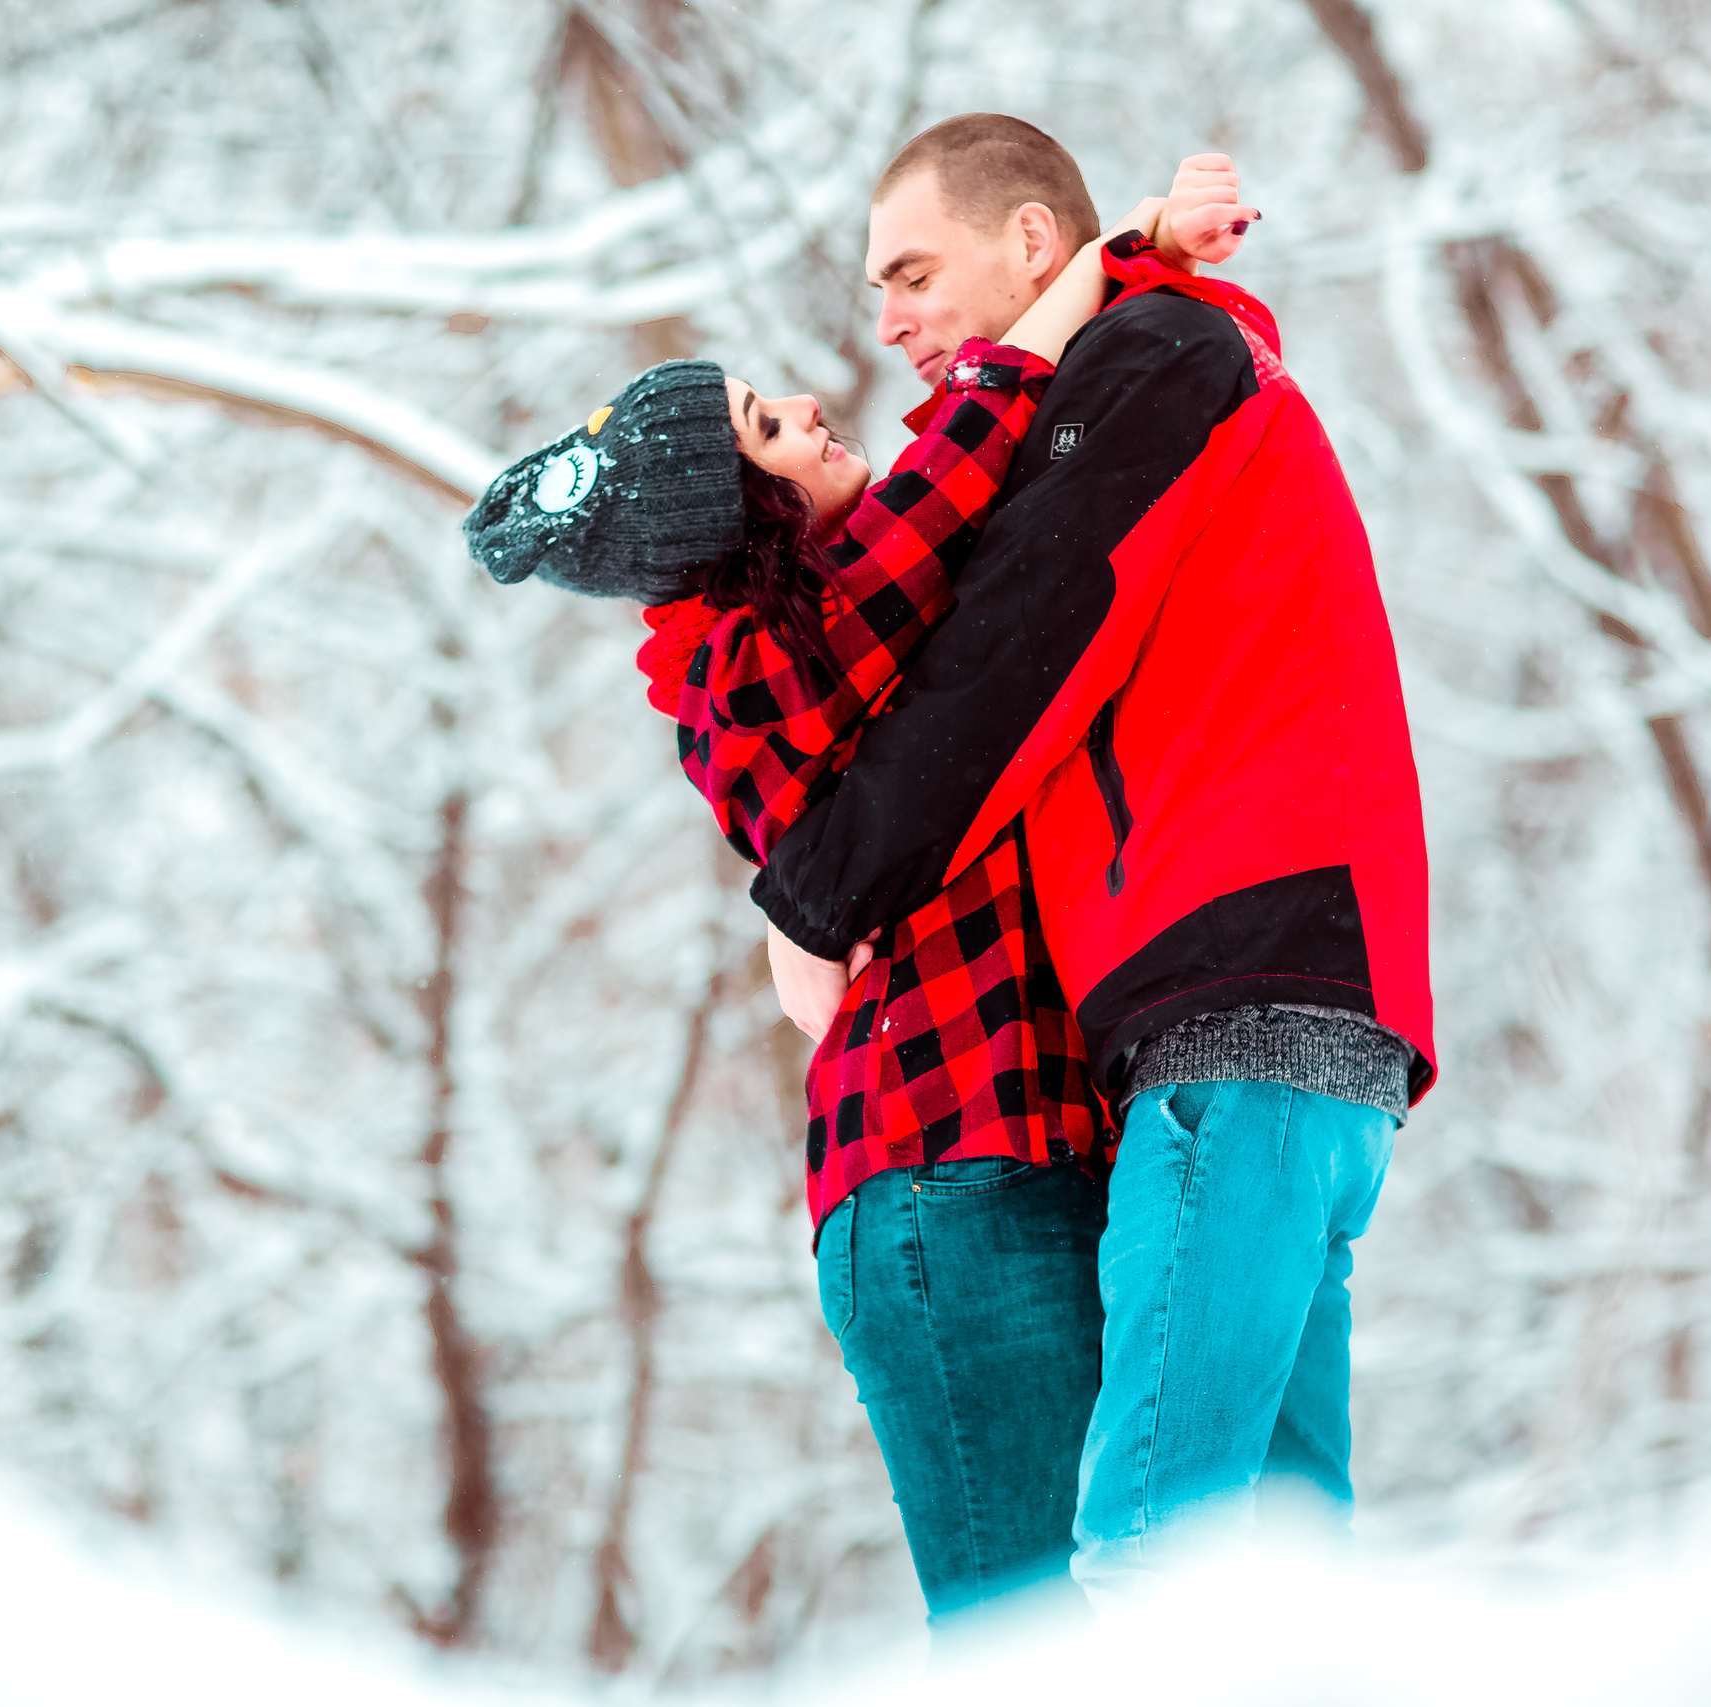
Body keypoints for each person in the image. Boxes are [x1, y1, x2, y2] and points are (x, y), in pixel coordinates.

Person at [458, 162, 1248, 1632]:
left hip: (1023, 1157)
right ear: (736, 510)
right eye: (769, 425)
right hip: (943, 1187)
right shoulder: (762, 666)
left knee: (1133, 1627)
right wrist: (1110, 255)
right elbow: (963, 467)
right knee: (1040, 1640)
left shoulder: (838, 632)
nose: (815, 408)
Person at [748, 114, 1440, 1602]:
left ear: (1030, 246)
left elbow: (1012, 652)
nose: (889, 321)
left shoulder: (1153, 366)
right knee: (1281, 1586)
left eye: (914, 269)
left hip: (1232, 1006)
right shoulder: (1157, 361)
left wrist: (812, 901)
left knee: (1145, 1571)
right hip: (1309, 1026)